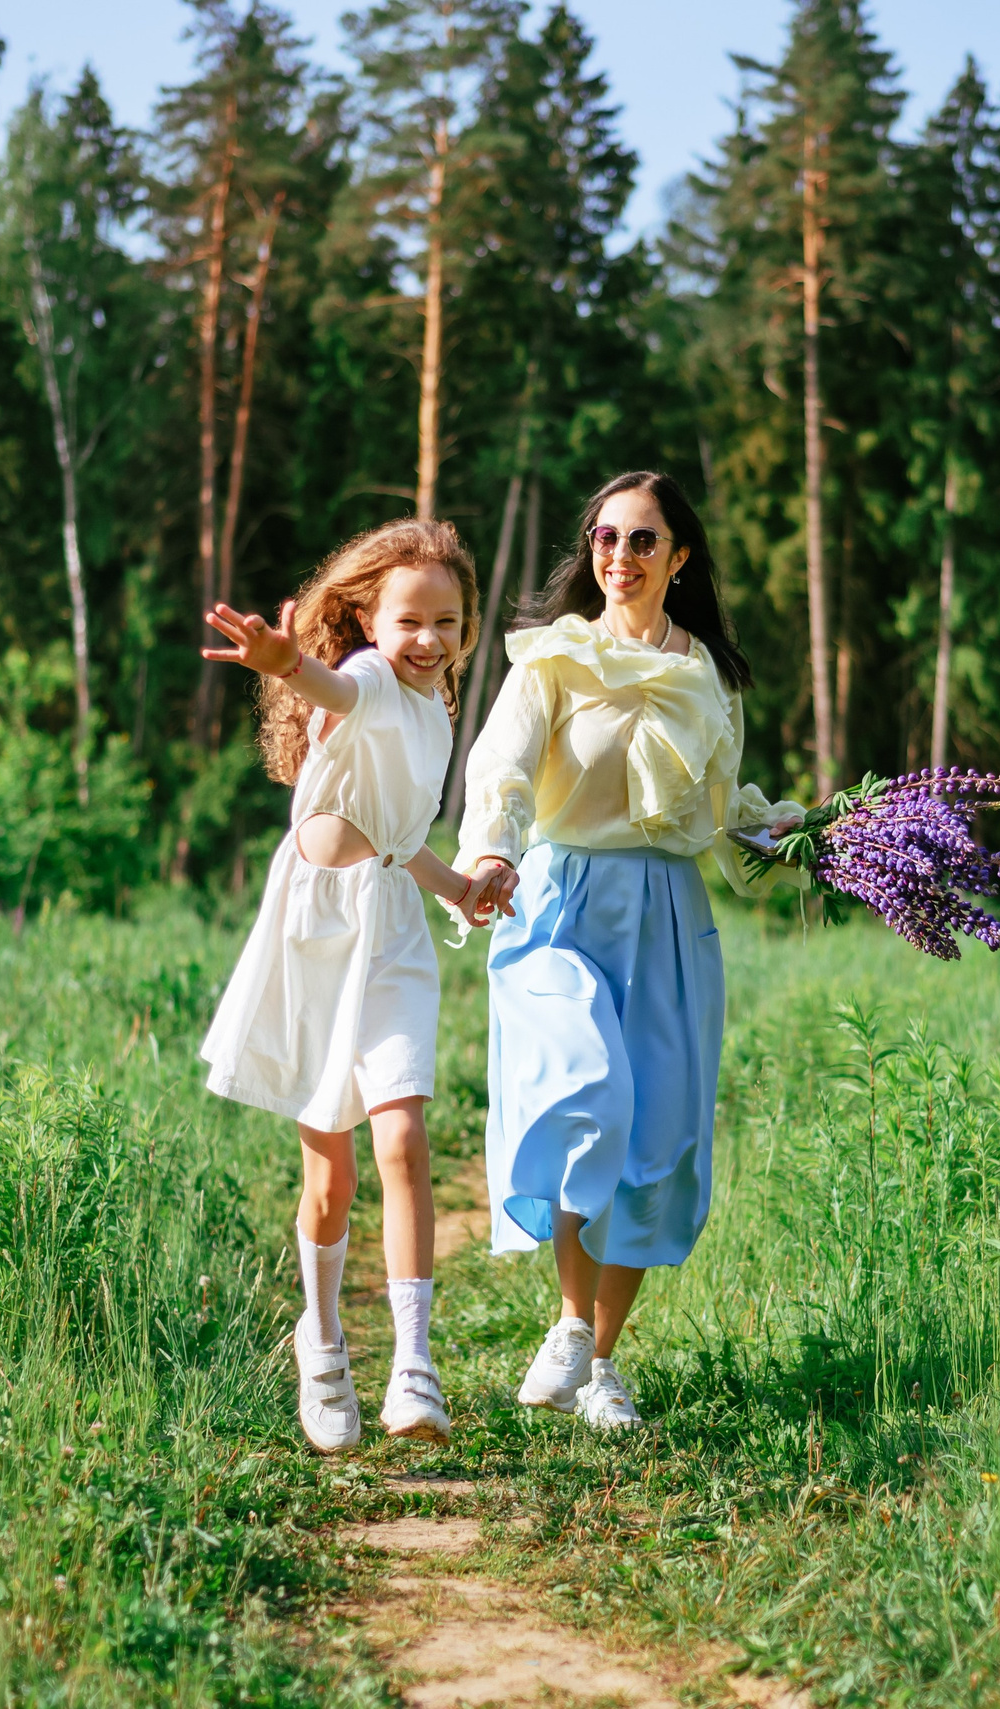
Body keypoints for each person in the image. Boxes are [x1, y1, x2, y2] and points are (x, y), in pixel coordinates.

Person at [456, 471, 805, 1429]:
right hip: (561, 904)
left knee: (652, 1140)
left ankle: (599, 1361)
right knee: (586, 1096)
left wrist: (795, 836)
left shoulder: (708, 675)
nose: (619, 556)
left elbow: (722, 807)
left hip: (666, 917)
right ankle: (571, 1322)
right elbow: (503, 766)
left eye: (643, 540)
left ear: (679, 556)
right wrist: (492, 848)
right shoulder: (555, 658)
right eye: (605, 537)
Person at [200, 519, 492, 1452]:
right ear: (369, 620)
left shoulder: (438, 709)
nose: (429, 640)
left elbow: (399, 838)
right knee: (330, 1174)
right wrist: (288, 664)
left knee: (403, 1136)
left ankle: (414, 1365)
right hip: (316, 934)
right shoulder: (365, 677)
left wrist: (457, 888)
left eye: (448, 622)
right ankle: (321, 1340)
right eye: (410, 620)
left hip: (393, 929)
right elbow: (332, 686)